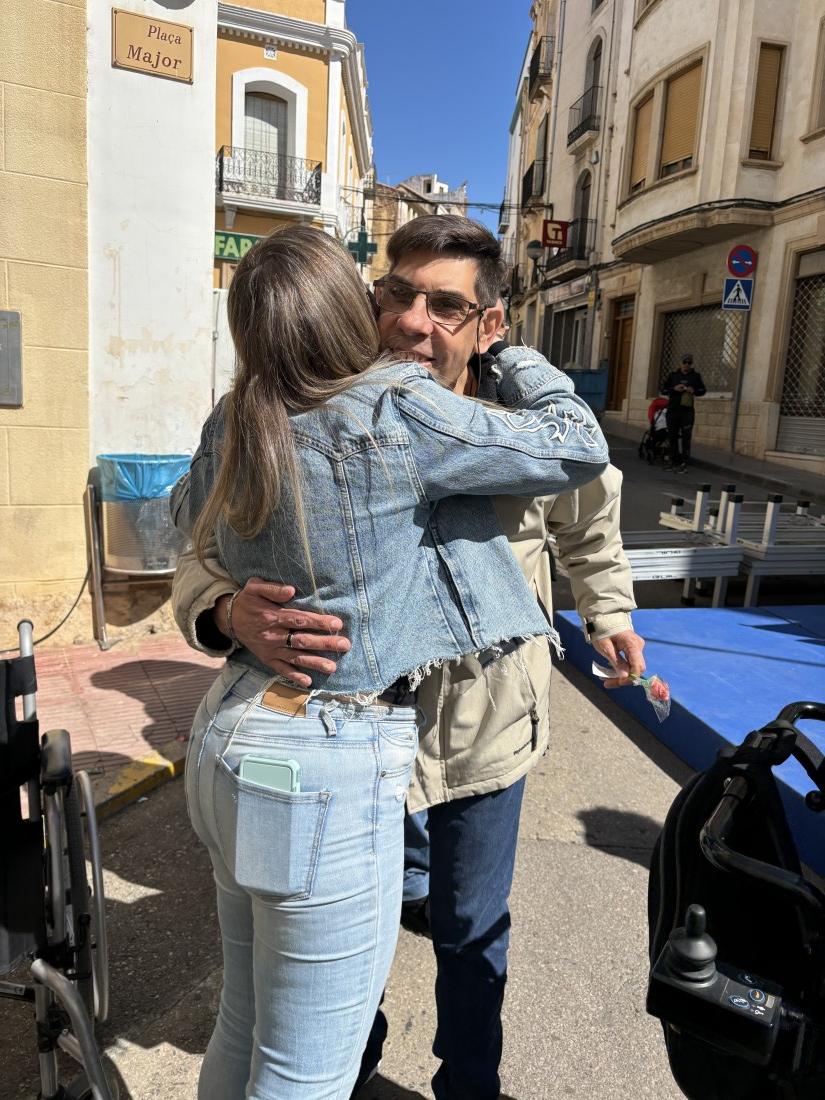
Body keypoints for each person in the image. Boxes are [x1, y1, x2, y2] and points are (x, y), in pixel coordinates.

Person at [173, 216, 640, 1100]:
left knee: (466, 930)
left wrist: (609, 614)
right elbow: (194, 540)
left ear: (489, 324)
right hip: (358, 743)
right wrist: (226, 611)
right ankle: (352, 1074)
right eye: (397, 294)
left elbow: (589, 522)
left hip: (478, 734)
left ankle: (467, 1085)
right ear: (367, 299)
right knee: (344, 968)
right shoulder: (301, 406)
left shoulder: (507, 424)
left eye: (446, 306)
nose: (414, 321)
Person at [662, 353, 706, 472]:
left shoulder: (695, 376)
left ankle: (684, 463)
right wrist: (674, 389)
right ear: (680, 363)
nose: (686, 365)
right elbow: (664, 390)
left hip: (687, 413)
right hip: (673, 411)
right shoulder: (673, 375)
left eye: (689, 363)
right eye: (684, 362)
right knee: (672, 437)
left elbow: (703, 391)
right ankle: (674, 461)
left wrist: (693, 390)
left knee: (686, 438)